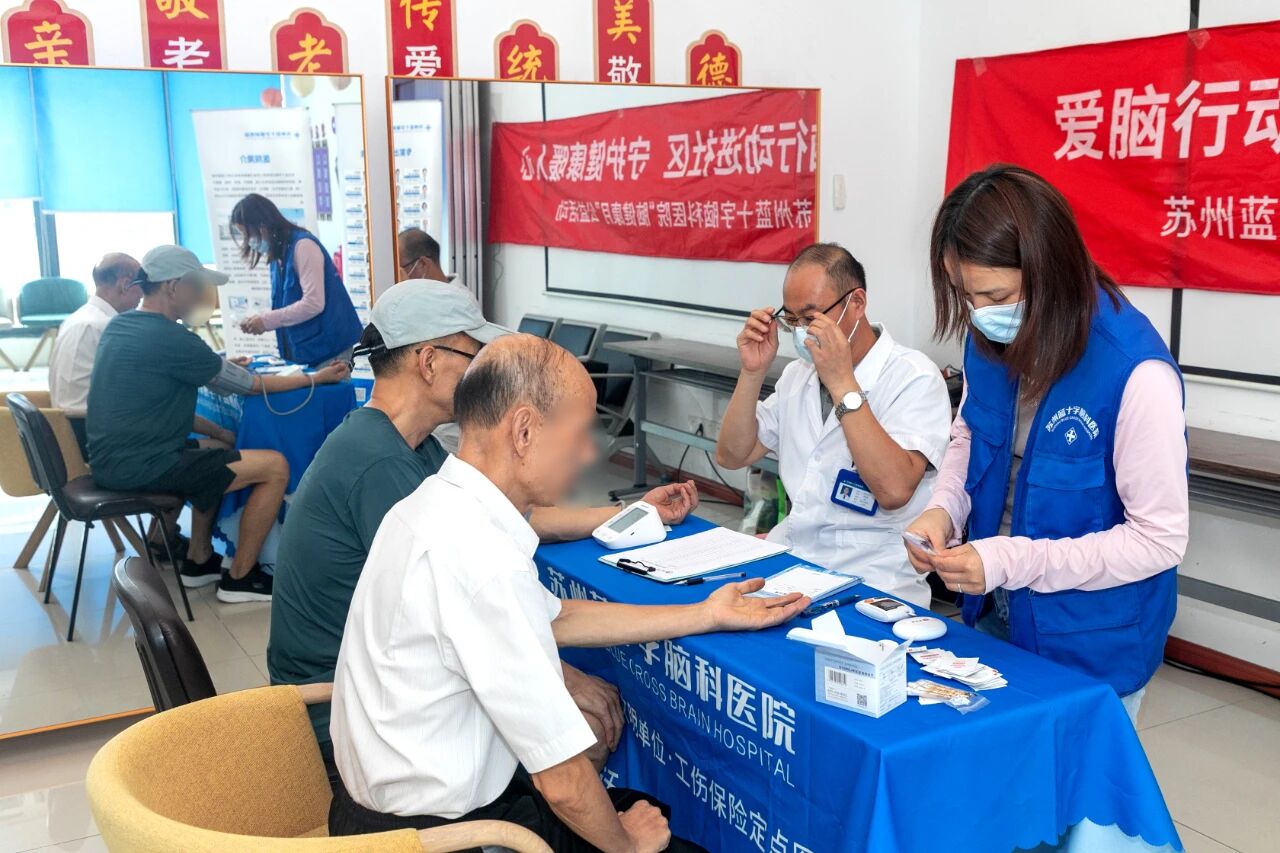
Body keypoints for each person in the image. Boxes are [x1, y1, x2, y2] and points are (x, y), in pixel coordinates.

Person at [329, 334, 808, 849]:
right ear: (524, 431)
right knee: (660, 835)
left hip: (380, 812)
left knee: (638, 807)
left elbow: (555, 617)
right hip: (437, 837)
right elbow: (562, 782)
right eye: (579, 434)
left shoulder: (433, 504)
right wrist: (627, 846)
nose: (589, 453)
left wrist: (705, 612)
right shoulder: (479, 557)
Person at [269, 280, 700, 777]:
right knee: (582, 730)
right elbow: (476, 610)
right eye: (474, 356)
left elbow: (515, 514)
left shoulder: (405, 443)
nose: (485, 373)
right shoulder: (379, 464)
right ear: (429, 362)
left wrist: (629, 511)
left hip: (386, 686)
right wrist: (563, 679)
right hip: (349, 714)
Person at [904, 165, 1188, 724]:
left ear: (1050, 270)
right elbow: (970, 432)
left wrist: (1011, 559)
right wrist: (944, 507)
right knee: (1000, 772)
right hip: (994, 607)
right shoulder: (989, 333)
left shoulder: (1135, 372)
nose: (981, 313)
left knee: (1078, 782)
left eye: (996, 295)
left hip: (1090, 641)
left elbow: (1159, 539)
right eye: (966, 295)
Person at [87, 245, 350, 602]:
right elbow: (251, 386)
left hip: (114, 459)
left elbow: (161, 401)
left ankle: (199, 559)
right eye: (196, 286)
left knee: (221, 448)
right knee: (275, 466)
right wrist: (315, 378)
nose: (200, 296)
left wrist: (221, 424)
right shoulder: (172, 338)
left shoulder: (121, 325)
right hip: (141, 466)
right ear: (173, 287)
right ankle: (241, 577)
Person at [716, 243, 952, 608]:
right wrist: (752, 372)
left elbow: (893, 490)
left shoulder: (914, 377)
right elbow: (732, 455)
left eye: (811, 318)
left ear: (857, 303)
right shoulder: (798, 375)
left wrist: (843, 382)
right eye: (791, 320)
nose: (802, 331)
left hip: (876, 579)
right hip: (793, 562)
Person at [230, 193, 363, 366]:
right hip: (302, 352)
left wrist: (266, 320)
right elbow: (286, 305)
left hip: (328, 351)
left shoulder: (303, 246)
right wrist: (260, 320)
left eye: (247, 235)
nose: (248, 242)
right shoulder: (278, 255)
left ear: (262, 227)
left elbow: (313, 303)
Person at [48, 253, 143, 457]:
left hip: (66, 432)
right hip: (89, 435)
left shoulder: (77, 318)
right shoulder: (105, 326)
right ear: (125, 284)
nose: (143, 295)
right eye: (142, 285)